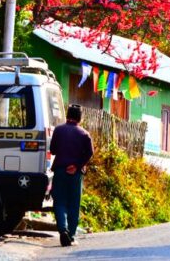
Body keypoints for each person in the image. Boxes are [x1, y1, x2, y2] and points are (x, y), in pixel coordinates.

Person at [49, 104, 94, 247]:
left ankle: (63, 230)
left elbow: (53, 150)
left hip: (60, 171)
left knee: (60, 201)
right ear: (80, 118)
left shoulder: (58, 130)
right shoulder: (84, 134)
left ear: (67, 115)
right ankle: (72, 235)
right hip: (75, 174)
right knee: (74, 204)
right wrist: (77, 165)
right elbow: (90, 153)